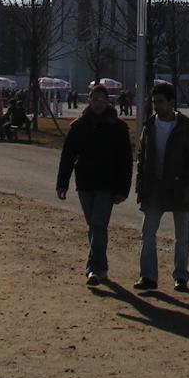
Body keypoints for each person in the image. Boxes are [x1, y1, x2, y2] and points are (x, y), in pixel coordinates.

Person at [55, 84, 133, 285]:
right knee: (94, 226)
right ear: (89, 101)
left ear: (108, 101)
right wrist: (62, 183)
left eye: (102, 100)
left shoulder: (118, 128)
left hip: (107, 184)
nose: (98, 103)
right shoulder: (79, 126)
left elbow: (125, 161)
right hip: (85, 183)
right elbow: (68, 156)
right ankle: (102, 266)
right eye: (94, 99)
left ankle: (94, 269)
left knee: (98, 225)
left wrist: (123, 189)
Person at [134, 81, 189, 292]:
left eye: (160, 102)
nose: (156, 106)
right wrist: (141, 186)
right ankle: (148, 276)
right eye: (154, 102)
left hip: (179, 188)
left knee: (182, 236)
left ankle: (181, 276)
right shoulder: (149, 127)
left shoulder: (186, 129)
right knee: (148, 232)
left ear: (171, 102)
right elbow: (142, 158)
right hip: (154, 188)